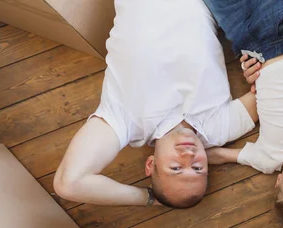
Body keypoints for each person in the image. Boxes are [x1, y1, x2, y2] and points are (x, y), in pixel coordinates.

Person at [53, 0, 258, 209]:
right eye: (197, 167)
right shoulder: (221, 128)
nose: (188, 156)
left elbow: (68, 184)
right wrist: (258, 72)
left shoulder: (126, 123)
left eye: (176, 168)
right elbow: (275, 87)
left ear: (151, 164)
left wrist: (149, 198)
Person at [203, 0, 283, 224]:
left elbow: (221, 155)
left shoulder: (266, 161)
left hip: (251, 46)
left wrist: (189, 161)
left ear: (279, 180)